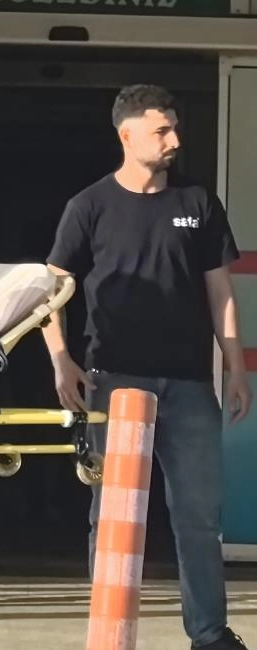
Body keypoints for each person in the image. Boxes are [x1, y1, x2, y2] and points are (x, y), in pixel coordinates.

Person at [43, 84, 251, 650]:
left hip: (188, 384)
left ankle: (209, 634)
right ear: (127, 134)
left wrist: (234, 366)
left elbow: (220, 293)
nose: (174, 139)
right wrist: (61, 360)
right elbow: (50, 289)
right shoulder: (89, 206)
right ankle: (108, 632)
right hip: (114, 380)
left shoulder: (198, 203)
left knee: (199, 517)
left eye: (175, 127)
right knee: (113, 513)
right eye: (162, 130)